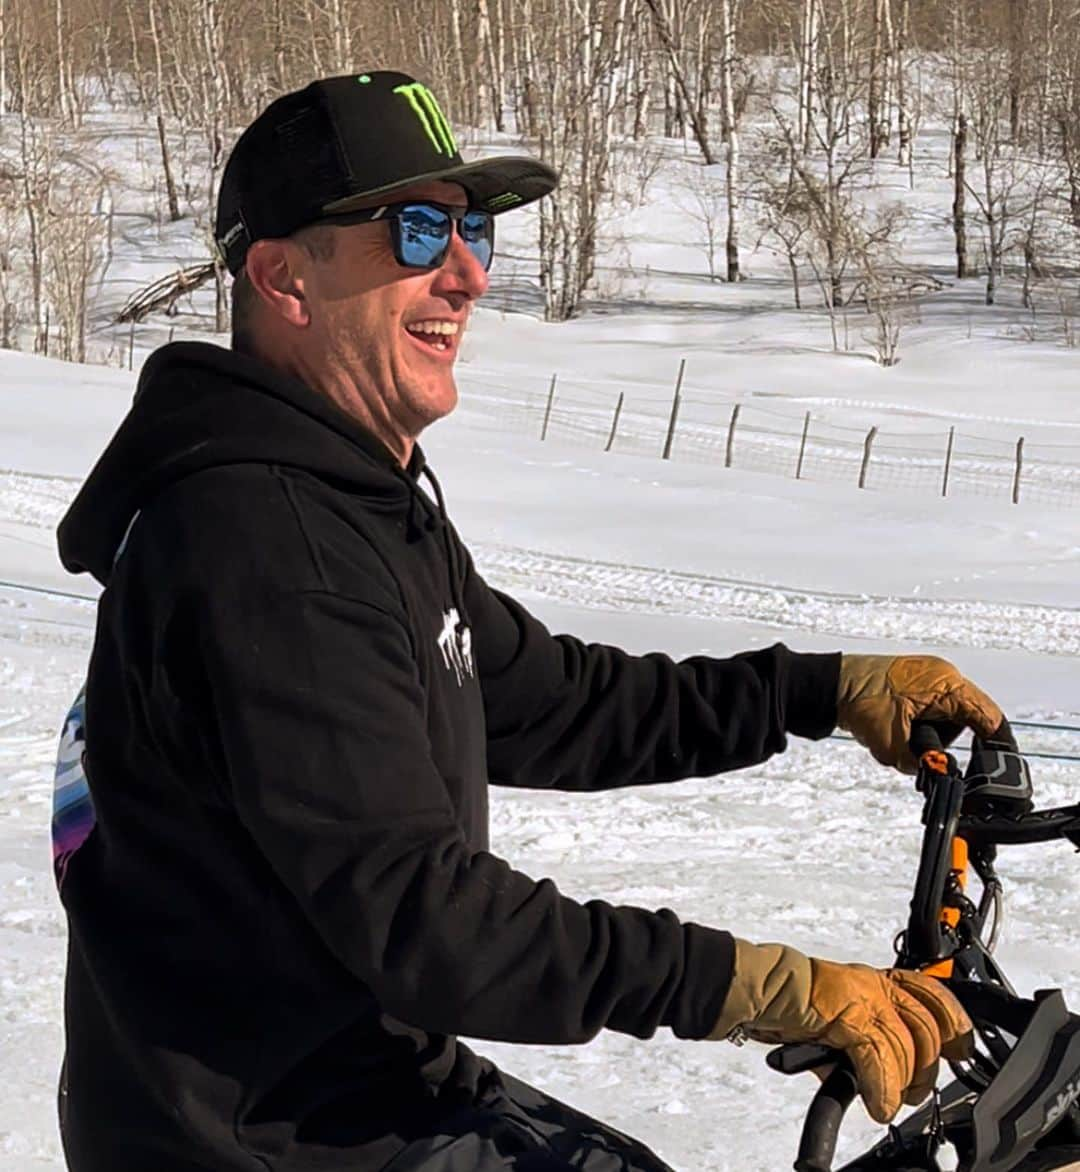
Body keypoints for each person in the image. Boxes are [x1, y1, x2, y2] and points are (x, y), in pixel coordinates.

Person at [53, 71, 1004, 1172]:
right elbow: (431, 922)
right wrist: (769, 988)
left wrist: (822, 688)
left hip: (350, 1073)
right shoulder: (265, 543)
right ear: (284, 279)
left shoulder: (350, 491)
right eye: (416, 230)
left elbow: (549, 701)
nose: (465, 273)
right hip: (256, 1134)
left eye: (474, 229)